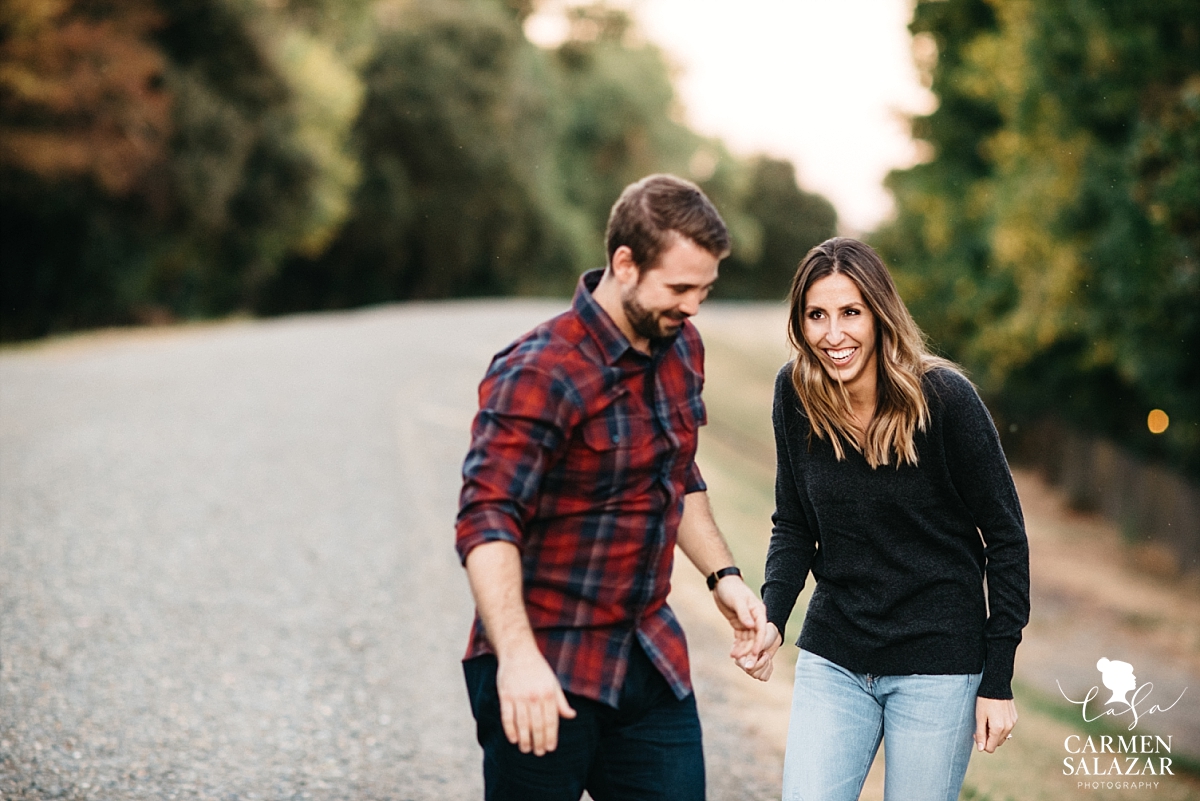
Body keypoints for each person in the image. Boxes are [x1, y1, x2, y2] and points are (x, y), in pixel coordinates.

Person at [455, 174, 768, 801]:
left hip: (646, 657)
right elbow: (486, 519)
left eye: (705, 290)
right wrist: (517, 659)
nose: (693, 308)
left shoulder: (682, 348)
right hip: (545, 662)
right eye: (679, 289)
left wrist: (722, 576)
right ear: (624, 264)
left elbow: (678, 475)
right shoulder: (540, 369)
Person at [739, 238, 1030, 801]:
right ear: (800, 322)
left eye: (851, 312)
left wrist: (998, 677)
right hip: (835, 656)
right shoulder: (795, 392)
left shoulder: (945, 399)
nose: (833, 334)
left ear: (879, 313)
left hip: (938, 666)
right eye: (816, 316)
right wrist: (773, 616)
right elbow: (795, 522)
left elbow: (1007, 539)